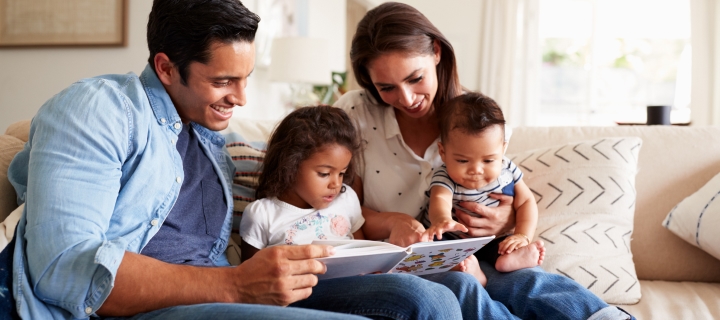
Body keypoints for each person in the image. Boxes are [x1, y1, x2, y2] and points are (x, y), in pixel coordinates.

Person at [3, 1, 473, 319]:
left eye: (247, 78)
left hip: (224, 287)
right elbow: (63, 266)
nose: (242, 98)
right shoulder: (97, 109)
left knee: (432, 296)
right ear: (166, 68)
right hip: (147, 308)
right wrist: (235, 286)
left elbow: (296, 181)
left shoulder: (211, 137)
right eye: (225, 81)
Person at [334, 2, 634, 319]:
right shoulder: (355, 114)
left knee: (528, 282)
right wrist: (393, 222)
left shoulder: (478, 120)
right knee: (462, 286)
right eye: (387, 87)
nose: (407, 98)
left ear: (436, 51)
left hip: (470, 249)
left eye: (415, 78)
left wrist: (505, 222)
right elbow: (338, 205)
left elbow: (503, 190)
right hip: (396, 261)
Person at [420, 92, 545, 286]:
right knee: (432, 250)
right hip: (452, 239)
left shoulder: (507, 169)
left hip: (490, 240)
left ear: (503, 149)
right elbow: (440, 199)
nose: (476, 170)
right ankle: (470, 269)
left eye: (488, 160)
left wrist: (522, 235)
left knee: (505, 245)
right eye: (462, 160)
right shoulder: (445, 175)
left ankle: (511, 259)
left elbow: (526, 201)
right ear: (443, 152)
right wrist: (442, 220)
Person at [239, 106, 366, 259]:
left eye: (341, 173)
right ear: (290, 165)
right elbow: (250, 273)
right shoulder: (262, 215)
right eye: (324, 174)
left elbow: (364, 252)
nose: (336, 184)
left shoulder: (346, 198)